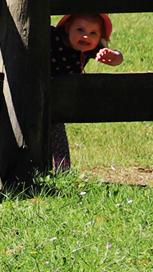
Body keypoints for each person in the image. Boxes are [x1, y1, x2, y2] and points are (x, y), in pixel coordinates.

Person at [49, 13, 123, 171]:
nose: (85, 36)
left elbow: (117, 59)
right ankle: (31, 165)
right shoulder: (53, 37)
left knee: (56, 128)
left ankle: (62, 168)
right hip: (37, 90)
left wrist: (113, 56)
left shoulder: (91, 49)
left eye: (93, 33)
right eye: (80, 29)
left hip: (59, 98)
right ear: (68, 28)